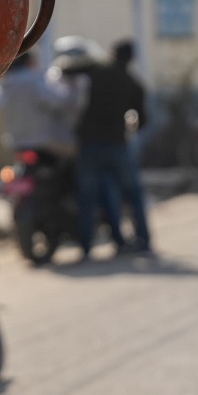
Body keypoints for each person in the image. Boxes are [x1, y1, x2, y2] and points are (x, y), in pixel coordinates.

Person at [74, 39, 153, 258]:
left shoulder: (96, 71)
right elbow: (143, 120)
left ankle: (85, 246)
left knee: (87, 197)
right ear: (131, 59)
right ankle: (144, 240)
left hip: (89, 144)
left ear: (111, 54)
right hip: (117, 144)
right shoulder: (133, 83)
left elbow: (68, 70)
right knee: (134, 194)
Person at [0, 50, 83, 160]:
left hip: (15, 142)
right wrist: (71, 86)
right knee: (80, 157)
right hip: (45, 142)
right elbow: (59, 102)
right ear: (29, 61)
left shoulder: (1, 85)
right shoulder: (33, 80)